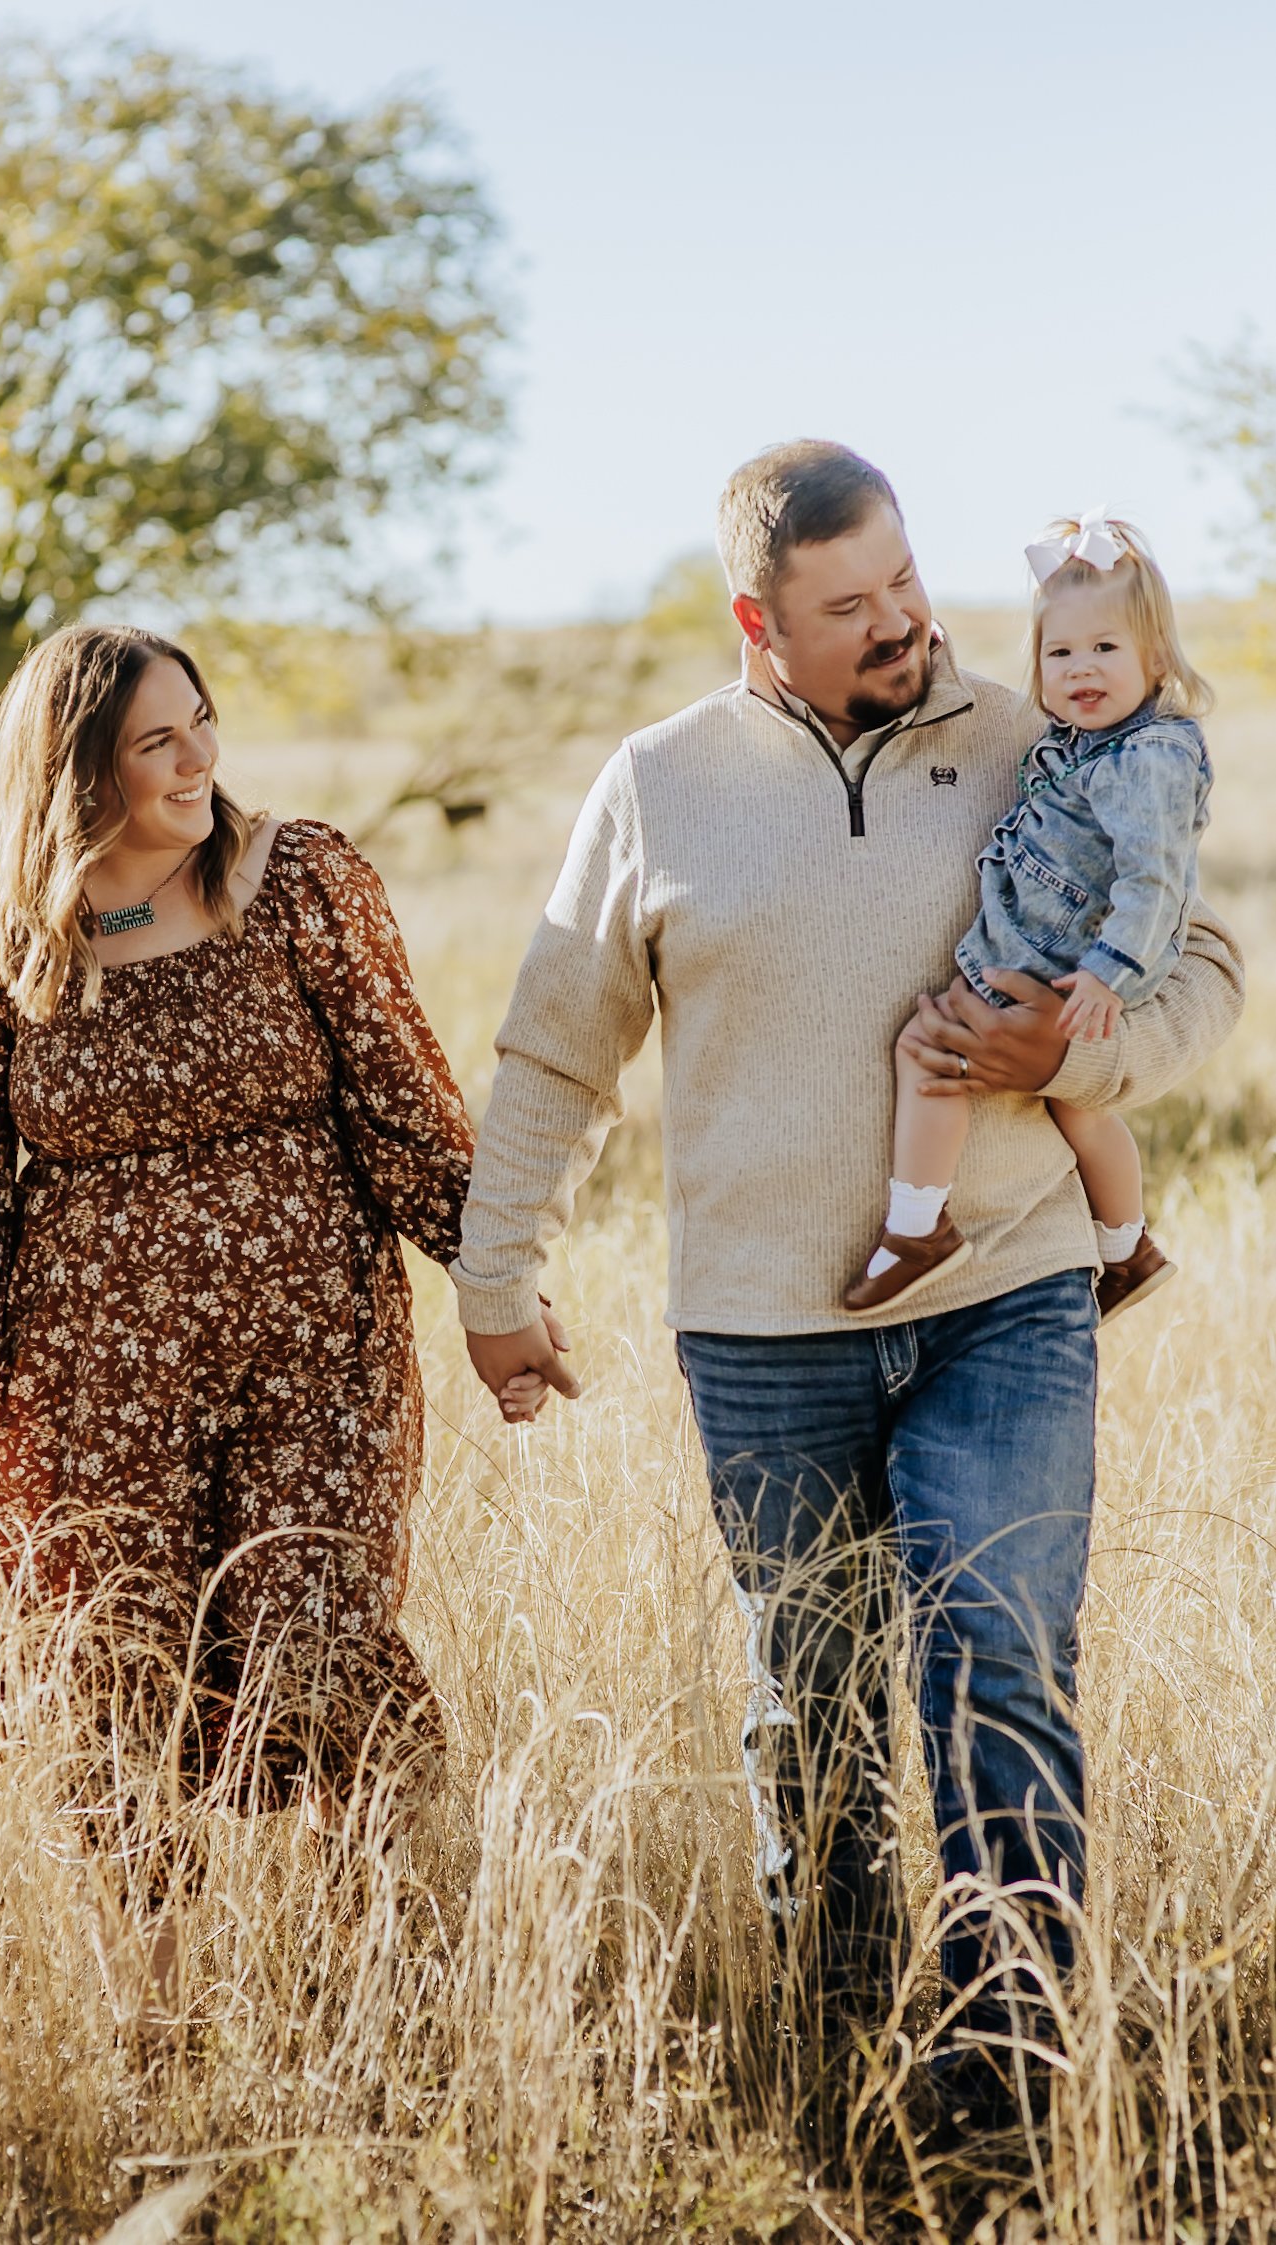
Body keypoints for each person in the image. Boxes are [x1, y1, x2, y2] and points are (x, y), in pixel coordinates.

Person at [450, 443, 1243, 2115]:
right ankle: (837, 2060)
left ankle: (1007, 2089)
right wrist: (493, 1277)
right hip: (760, 1331)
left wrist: (1082, 1061)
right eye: (849, 607)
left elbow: (1204, 959)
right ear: (758, 619)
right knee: (807, 1707)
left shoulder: (1039, 729)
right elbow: (554, 1048)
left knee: (1001, 1653)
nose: (903, 623)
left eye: (904, 581)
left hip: (1004, 1297)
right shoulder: (657, 784)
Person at [0, 622, 498, 1873]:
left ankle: (400, 1970)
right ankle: (161, 2017)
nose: (198, 757)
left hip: (314, 1357)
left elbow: (406, 1104)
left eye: (202, 720)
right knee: (113, 1676)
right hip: (97, 1378)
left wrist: (493, 1281)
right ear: (78, 769)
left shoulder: (300, 880)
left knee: (315, 1644)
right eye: (158, 739)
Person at [843, 510, 1212, 1322]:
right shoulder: (1078, 742)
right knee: (1077, 1102)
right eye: (1059, 652)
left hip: (1064, 964)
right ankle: (1126, 1248)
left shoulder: (1143, 759)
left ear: (1155, 658)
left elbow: (1156, 880)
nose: (1081, 669)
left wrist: (1110, 976)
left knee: (929, 1048)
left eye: (1105, 649)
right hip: (1063, 957)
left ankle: (917, 1229)